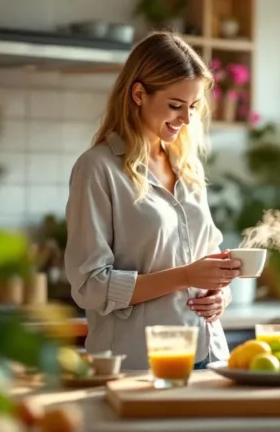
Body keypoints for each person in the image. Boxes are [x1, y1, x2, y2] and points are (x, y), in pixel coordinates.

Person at [64, 31, 241, 371]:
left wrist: (219, 297)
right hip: (140, 362)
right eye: (175, 106)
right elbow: (90, 286)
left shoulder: (187, 166)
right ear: (139, 94)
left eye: (193, 107)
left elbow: (207, 256)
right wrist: (186, 276)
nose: (186, 119)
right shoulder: (97, 169)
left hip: (209, 354)